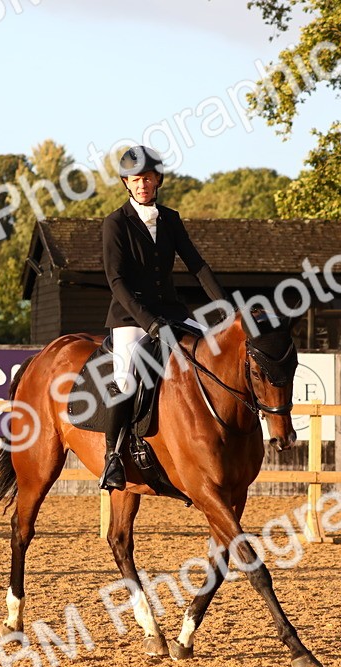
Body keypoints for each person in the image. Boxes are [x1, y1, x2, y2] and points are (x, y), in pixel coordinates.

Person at [98, 145, 228, 490]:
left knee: (213, 351)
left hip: (172, 312)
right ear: (127, 183)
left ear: (158, 180)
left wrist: (229, 307)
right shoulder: (115, 223)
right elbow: (116, 281)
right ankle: (113, 458)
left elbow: (197, 265)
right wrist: (149, 323)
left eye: (149, 178)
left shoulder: (170, 218)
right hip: (130, 317)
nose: (143, 184)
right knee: (125, 379)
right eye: (136, 179)